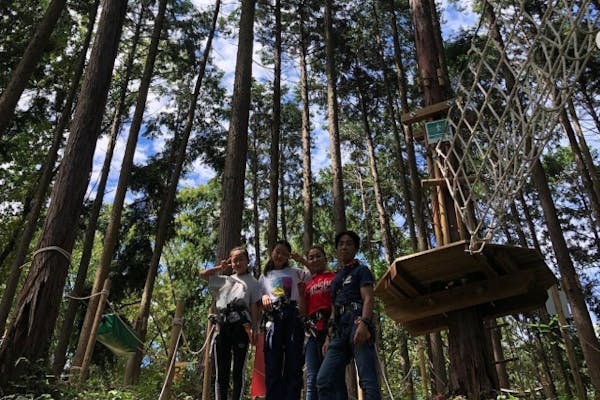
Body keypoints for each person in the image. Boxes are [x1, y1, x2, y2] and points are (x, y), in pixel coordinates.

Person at [317, 231, 381, 400]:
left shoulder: (361, 270)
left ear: (356, 248)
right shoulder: (336, 278)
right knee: (324, 380)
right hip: (339, 330)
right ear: (337, 249)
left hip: (357, 322)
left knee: (367, 379)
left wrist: (365, 323)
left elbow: (368, 297)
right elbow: (332, 308)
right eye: (341, 244)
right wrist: (328, 338)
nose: (344, 246)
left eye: (349, 243)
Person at [200, 246, 262, 400]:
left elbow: (254, 306)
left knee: (238, 370)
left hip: (242, 326)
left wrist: (255, 328)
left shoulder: (253, 282)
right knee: (222, 369)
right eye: (234, 260)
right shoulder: (224, 280)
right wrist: (221, 267)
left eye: (241, 259)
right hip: (223, 324)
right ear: (230, 263)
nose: (238, 263)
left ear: (248, 261)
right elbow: (203, 275)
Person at [259, 239, 309, 400]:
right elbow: (258, 297)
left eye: (283, 253)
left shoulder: (295, 272)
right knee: (273, 363)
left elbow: (312, 274)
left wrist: (301, 260)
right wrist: (264, 296)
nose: (279, 255)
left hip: (293, 317)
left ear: (288, 256)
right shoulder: (265, 275)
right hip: (273, 318)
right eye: (277, 251)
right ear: (271, 253)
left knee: (294, 362)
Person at [295, 245, 343, 400]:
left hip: (332, 328)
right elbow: (303, 312)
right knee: (312, 377)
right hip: (312, 332)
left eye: (318, 256)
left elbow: (339, 302)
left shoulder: (335, 277)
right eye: (311, 257)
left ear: (326, 259)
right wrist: (301, 295)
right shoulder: (308, 283)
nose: (315, 260)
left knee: (334, 376)